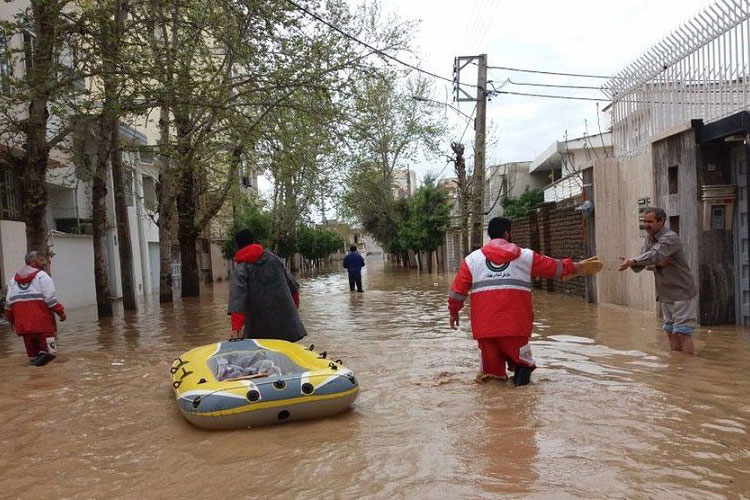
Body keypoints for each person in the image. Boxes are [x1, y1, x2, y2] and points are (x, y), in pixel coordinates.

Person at [448, 217, 580, 386]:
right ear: (507, 234)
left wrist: (453, 313)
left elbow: (457, 293)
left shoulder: (472, 260)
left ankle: (498, 409)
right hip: (515, 328)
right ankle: (519, 405)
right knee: (523, 366)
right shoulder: (525, 257)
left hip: (485, 330)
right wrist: (576, 266)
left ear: (489, 235)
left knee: (492, 378)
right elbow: (555, 267)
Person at [618, 207, 697, 354]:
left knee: (683, 332)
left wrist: (634, 261)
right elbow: (646, 261)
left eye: (650, 221)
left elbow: (653, 255)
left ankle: (688, 367)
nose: (646, 225)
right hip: (665, 293)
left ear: (662, 221)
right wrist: (654, 263)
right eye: (644, 221)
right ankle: (677, 364)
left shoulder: (670, 238)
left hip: (682, 292)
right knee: (670, 330)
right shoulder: (650, 239)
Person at [228, 229, 307, 342]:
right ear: (254, 241)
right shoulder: (274, 259)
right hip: (287, 325)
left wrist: (236, 330)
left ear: (237, 245)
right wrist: (295, 307)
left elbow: (237, 301)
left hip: (259, 330)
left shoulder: (241, 269)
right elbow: (293, 286)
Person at [4, 251, 66, 366]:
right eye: (41, 260)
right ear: (33, 261)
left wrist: (11, 322)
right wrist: (61, 313)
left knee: (33, 358)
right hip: (43, 325)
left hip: (24, 328)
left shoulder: (13, 280)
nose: (44, 263)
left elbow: (9, 305)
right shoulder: (42, 277)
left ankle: (34, 379)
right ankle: (44, 379)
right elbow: (51, 300)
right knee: (50, 354)